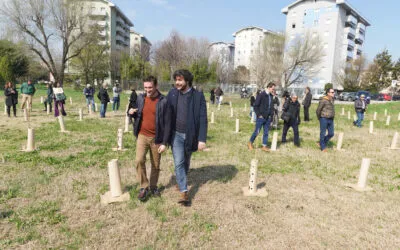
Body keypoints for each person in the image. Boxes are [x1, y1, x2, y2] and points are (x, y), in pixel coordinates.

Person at [160, 69, 207, 206]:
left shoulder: (198, 96)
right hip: (176, 135)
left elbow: (203, 118)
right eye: (176, 80)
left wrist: (202, 139)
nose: (177, 83)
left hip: (190, 135)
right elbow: (165, 110)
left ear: (187, 81)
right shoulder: (172, 93)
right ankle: (184, 191)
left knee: (185, 162)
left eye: (180, 80)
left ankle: (181, 180)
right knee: (179, 162)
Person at [128, 76, 168, 201]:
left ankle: (153, 186)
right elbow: (131, 110)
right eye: (145, 87)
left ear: (156, 86)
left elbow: (168, 123)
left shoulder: (163, 101)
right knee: (139, 160)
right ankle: (143, 187)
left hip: (157, 138)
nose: (148, 90)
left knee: (155, 164)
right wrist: (130, 112)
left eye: (150, 87)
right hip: (142, 135)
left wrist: (164, 142)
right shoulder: (140, 98)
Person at [248, 82, 276, 152]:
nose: (273, 90)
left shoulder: (271, 96)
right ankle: (250, 143)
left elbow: (271, 107)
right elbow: (255, 106)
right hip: (261, 118)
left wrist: (271, 116)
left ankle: (264, 146)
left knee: (266, 132)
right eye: (272, 89)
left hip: (268, 118)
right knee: (257, 131)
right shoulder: (261, 95)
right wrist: (259, 115)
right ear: (269, 88)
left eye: (274, 89)